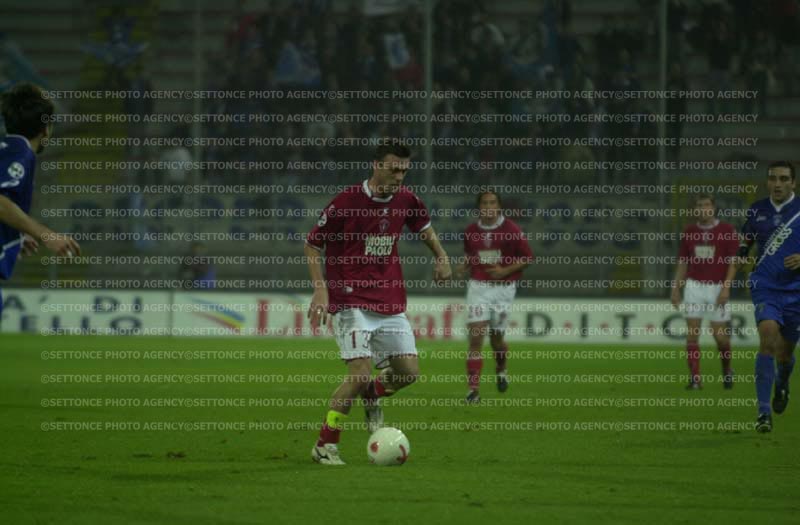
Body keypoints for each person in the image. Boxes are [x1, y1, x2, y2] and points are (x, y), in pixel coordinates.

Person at [304, 139, 451, 465]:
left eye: (404, 171)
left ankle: (373, 393)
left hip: (388, 298)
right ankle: (325, 444)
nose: (399, 176)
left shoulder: (406, 199)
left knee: (408, 372)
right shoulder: (347, 201)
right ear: (376, 165)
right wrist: (320, 289)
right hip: (350, 298)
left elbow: (424, 227)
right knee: (358, 374)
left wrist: (441, 256)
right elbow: (313, 244)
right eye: (393, 169)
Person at [0, 83, 81, 320]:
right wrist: (47, 235)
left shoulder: (6, 149)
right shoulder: (20, 153)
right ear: (46, 129)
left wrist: (12, 234)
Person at [739, 161, 800, 432]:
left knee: (785, 353)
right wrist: (742, 252)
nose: (777, 183)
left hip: (796, 289)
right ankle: (763, 413)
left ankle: (782, 382)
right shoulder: (757, 209)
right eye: (773, 178)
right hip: (765, 285)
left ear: (793, 183)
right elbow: (747, 237)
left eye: (784, 179)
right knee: (767, 336)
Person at [457, 191, 533, 403]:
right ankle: (473, 390)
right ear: (479, 207)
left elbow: (527, 258)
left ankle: (501, 368)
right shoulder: (471, 231)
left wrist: (504, 271)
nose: (488, 207)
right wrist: (463, 266)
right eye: (484, 203)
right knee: (476, 337)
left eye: (492, 203)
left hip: (503, 289)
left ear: (499, 207)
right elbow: (471, 254)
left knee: (496, 340)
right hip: (478, 287)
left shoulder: (511, 229)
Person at [671, 194, 739, 390]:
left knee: (720, 338)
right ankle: (695, 379)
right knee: (692, 334)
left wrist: (726, 288)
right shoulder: (689, 231)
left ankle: (727, 369)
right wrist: (676, 288)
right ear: (695, 209)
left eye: (706, 205)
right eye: (699, 205)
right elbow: (683, 262)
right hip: (694, 286)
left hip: (717, 287)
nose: (702, 208)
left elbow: (734, 262)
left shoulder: (727, 230)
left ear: (713, 208)